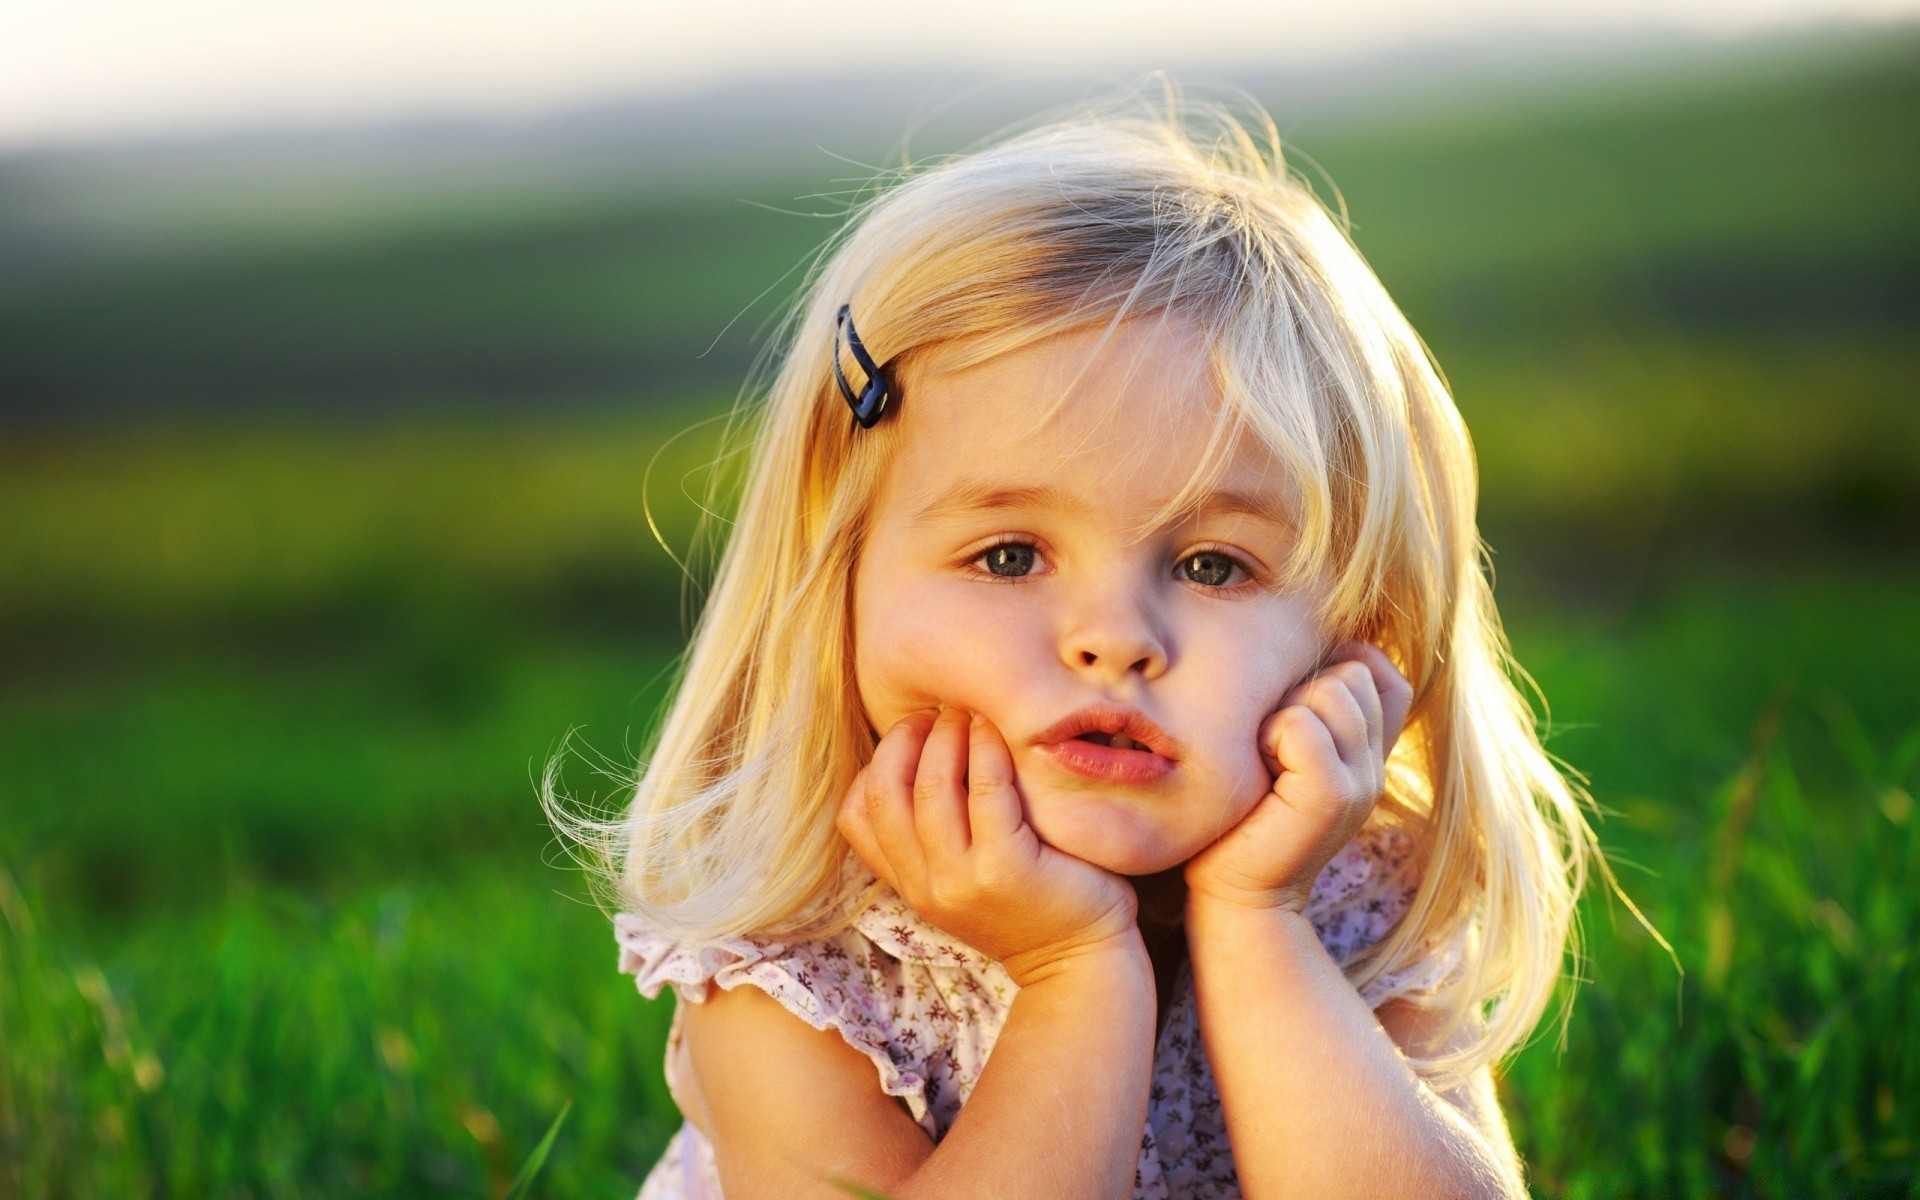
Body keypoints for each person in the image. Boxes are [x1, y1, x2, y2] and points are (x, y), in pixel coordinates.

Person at [549, 85, 1602, 1200]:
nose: (1114, 640)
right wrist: (1074, 974)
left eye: (1212, 567)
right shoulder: (799, 967)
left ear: (1356, 637)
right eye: (1008, 556)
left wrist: (1258, 922)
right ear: (840, 576)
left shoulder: (1354, 894)